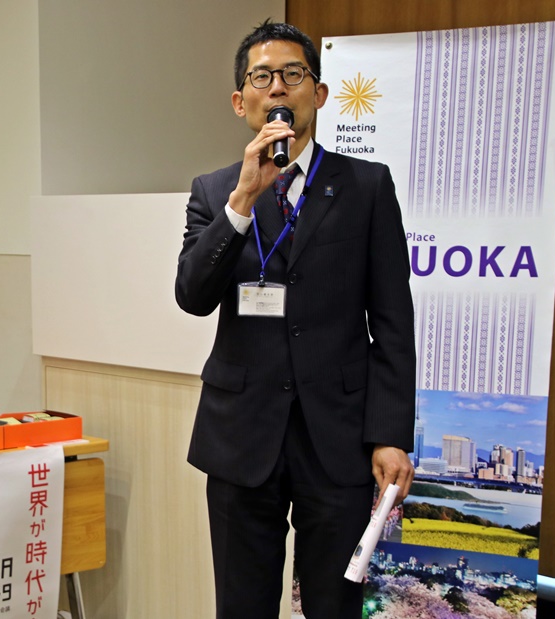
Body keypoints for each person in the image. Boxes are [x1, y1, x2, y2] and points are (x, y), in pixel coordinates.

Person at [174, 20, 416, 619]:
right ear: (241, 102)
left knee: (334, 605)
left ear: (319, 93)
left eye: (293, 74)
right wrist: (242, 202)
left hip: (338, 437)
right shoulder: (215, 192)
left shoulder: (366, 186)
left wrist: (390, 434)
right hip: (241, 436)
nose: (278, 88)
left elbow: (392, 320)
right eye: (262, 78)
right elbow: (193, 295)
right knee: (243, 605)